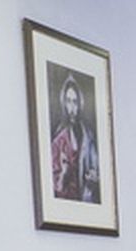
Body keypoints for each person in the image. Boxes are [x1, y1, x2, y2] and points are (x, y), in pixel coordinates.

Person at [50, 74, 100, 203]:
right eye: (68, 101)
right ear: (64, 104)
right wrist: (64, 174)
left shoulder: (88, 136)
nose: (72, 108)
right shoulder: (58, 142)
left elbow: (96, 167)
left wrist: (94, 178)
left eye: (75, 102)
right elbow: (56, 189)